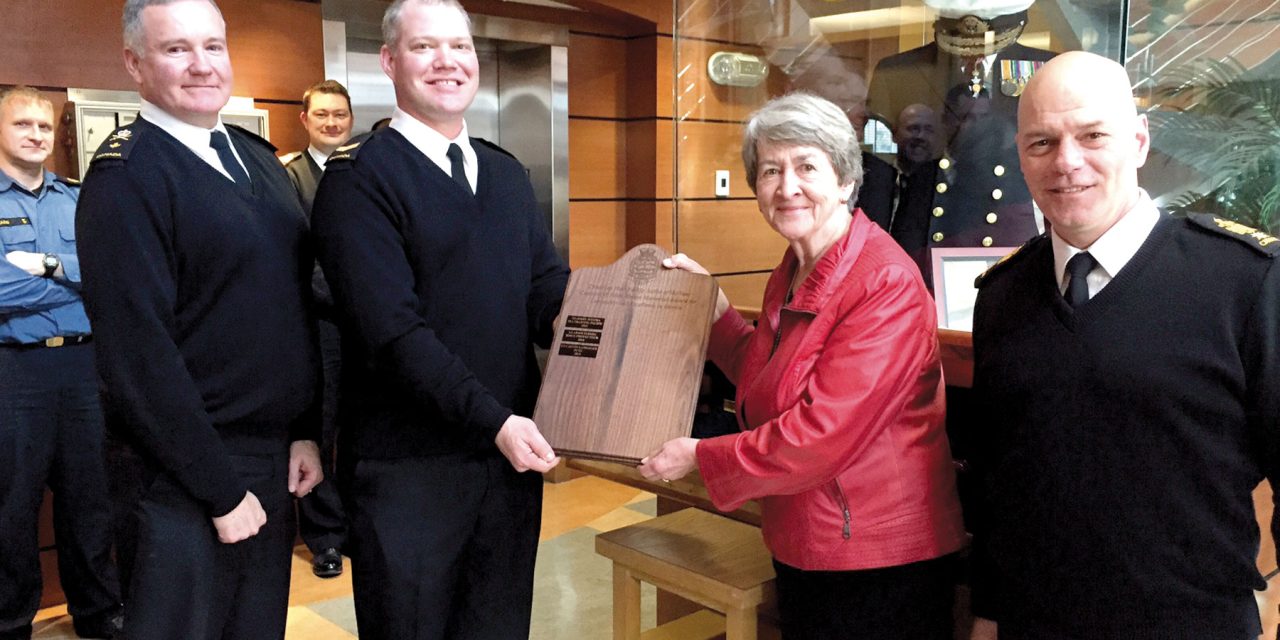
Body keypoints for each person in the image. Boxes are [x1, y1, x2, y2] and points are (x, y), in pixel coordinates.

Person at [969, 51, 1280, 640]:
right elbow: (997, 483)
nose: (1067, 162)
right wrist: (988, 614)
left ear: (1139, 141)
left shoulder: (1246, 280)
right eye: (1042, 143)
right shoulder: (1002, 295)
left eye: (1092, 135)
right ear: (1021, 157)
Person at [640, 92, 966, 640]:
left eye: (806, 166)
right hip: (808, 538)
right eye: (771, 170)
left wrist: (700, 455)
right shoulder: (794, 265)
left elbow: (821, 434)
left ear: (845, 180)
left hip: (876, 559)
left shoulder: (883, 281)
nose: (787, 186)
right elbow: (777, 377)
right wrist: (714, 311)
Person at [309, 0, 569, 638]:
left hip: (506, 466)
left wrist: (629, 313)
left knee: (499, 624)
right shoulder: (359, 180)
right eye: (425, 47)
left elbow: (546, 295)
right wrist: (497, 421)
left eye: (461, 46)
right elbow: (392, 334)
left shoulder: (506, 175)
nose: (448, 62)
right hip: (408, 473)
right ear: (390, 61)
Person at [75, 1, 323, 638]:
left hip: (266, 460)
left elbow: (288, 303)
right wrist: (218, 488)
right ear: (134, 63)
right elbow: (138, 356)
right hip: (182, 472)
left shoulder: (256, 159)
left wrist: (302, 429)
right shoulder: (127, 175)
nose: (202, 65)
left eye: (214, 46)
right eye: (177, 49)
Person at [0, 87, 123, 640]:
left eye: (44, 127)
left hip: (81, 369)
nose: (36, 135)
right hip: (15, 371)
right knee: (11, 506)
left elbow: (109, 273)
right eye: (22, 124)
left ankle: (99, 614)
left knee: (89, 501)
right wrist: (69, 278)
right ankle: (11, 621)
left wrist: (44, 267)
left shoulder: (74, 198)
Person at [870, 0, 1055, 281]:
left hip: (1013, 244)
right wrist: (872, 262)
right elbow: (878, 178)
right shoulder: (898, 72)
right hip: (919, 251)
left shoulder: (1047, 70)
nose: (973, 55)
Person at [280, 78, 353, 579]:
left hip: (368, 330)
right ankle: (325, 537)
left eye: (340, 115)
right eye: (322, 114)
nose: (332, 122)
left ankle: (358, 524)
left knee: (363, 427)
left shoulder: (364, 173)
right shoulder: (289, 177)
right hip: (318, 325)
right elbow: (294, 261)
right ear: (305, 120)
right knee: (320, 431)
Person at [786, 48, 896, 230]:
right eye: (852, 102)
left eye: (866, 104)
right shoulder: (808, 158)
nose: (864, 113)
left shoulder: (877, 169)